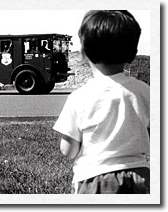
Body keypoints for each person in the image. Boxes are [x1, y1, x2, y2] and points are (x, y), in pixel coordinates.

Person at [53, 10, 150, 194]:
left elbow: (68, 150)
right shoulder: (145, 91)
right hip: (140, 176)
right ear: (132, 53)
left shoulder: (79, 97)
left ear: (83, 53)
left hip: (94, 178)